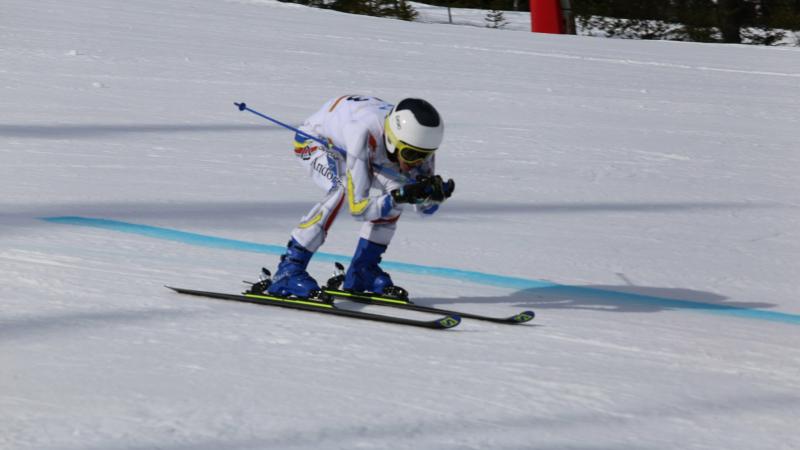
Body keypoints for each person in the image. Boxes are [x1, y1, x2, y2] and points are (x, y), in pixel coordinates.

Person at [265, 95, 454, 299]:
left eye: (424, 155)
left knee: (400, 189)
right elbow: (358, 208)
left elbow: (424, 210)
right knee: (341, 188)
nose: (416, 163)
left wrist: (434, 196)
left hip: (368, 150)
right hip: (316, 142)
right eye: (409, 155)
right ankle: (288, 270)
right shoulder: (362, 132)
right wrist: (400, 196)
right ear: (392, 139)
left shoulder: (416, 141)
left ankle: (363, 270)